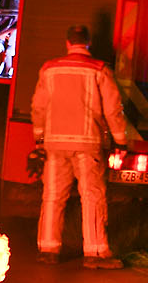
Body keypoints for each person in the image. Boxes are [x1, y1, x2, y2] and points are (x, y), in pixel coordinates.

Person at [32, 24, 130, 269]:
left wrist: (39, 138)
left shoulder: (49, 69)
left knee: (53, 197)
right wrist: (121, 141)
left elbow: (39, 106)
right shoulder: (99, 70)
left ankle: (48, 249)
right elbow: (113, 108)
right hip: (88, 145)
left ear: (67, 43)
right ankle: (95, 253)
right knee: (92, 197)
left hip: (54, 144)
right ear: (88, 44)